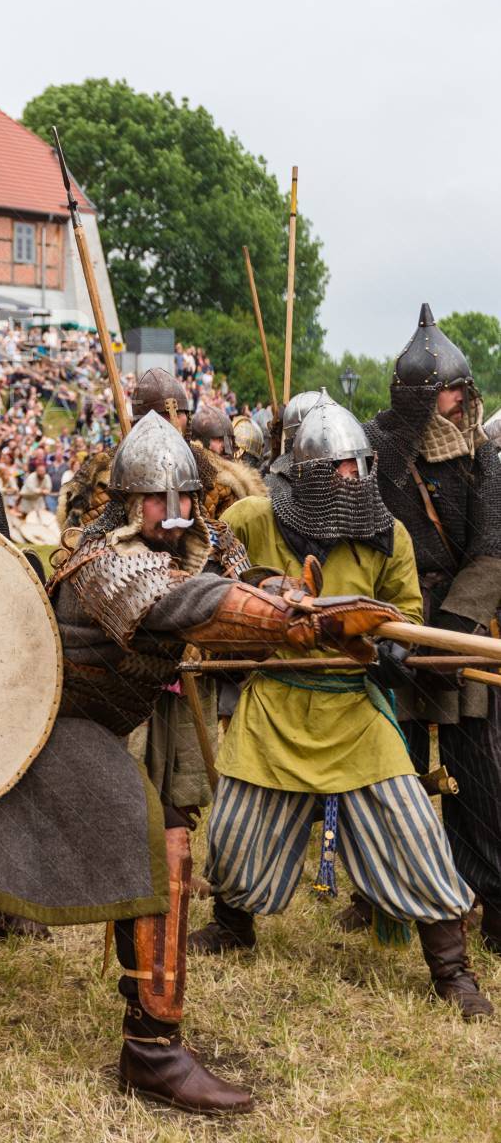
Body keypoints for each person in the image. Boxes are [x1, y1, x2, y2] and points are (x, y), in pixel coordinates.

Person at [0, 412, 411, 1114]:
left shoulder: (200, 537)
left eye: (185, 499)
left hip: (99, 722)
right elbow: (182, 601)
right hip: (52, 723)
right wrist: (288, 618)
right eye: (155, 501)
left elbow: (236, 571)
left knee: (83, 831)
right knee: (162, 840)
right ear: (125, 500)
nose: (173, 514)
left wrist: (283, 591)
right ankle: (152, 1048)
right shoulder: (101, 560)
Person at [191, 400, 493, 1020]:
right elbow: (209, 554)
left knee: (415, 837)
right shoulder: (256, 518)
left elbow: (405, 613)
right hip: (275, 701)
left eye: (360, 467)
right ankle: (232, 925)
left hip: (354, 711)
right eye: (342, 470)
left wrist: (390, 646)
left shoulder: (388, 536)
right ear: (307, 475)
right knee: (231, 835)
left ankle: (452, 969)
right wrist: (255, 592)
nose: (355, 481)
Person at [360, 304, 501, 951]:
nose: (462, 401)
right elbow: (363, 545)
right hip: (397, 630)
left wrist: (448, 636)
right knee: (396, 776)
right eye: (451, 391)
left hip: (464, 634)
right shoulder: (379, 462)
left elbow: (490, 556)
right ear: (418, 399)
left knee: (479, 779)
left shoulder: (484, 462)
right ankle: (388, 902)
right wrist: (391, 629)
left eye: (463, 391)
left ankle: (492, 903)